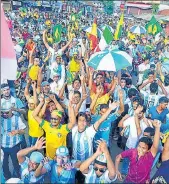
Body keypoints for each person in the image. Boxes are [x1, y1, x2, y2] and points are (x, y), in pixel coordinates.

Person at [1, 101, 26, 180]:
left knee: (16, 163)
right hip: (3, 147)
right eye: (2, 113)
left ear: (11, 110)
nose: (4, 114)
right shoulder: (1, 118)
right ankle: (7, 178)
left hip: (14, 146)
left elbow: (23, 131)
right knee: (4, 164)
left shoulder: (17, 118)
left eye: (7, 112)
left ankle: (18, 177)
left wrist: (17, 131)